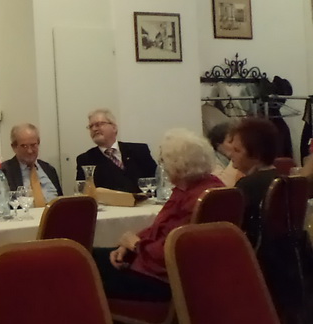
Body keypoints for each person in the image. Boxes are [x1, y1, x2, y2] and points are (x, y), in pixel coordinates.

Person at [92, 129, 221, 301]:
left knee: (82, 264)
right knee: (91, 256)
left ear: (179, 164)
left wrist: (135, 245)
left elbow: (172, 250)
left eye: (163, 161)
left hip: (163, 279)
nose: (163, 167)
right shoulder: (210, 187)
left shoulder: (196, 199)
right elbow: (159, 229)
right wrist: (127, 245)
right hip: (176, 272)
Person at [75, 108, 158, 193]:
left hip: (144, 201)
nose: (94, 129)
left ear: (114, 127)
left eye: (98, 124)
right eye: (91, 126)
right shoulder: (85, 160)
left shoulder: (139, 150)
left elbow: (157, 180)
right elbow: (82, 192)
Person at [226, 117, 280, 246]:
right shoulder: (281, 178)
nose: (230, 155)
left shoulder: (248, 185)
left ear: (256, 154)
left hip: (255, 251)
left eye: (237, 150)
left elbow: (233, 229)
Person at [0, 123, 62, 205]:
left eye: (33, 145)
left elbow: (61, 202)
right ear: (14, 147)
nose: (30, 151)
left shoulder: (49, 169)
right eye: (24, 146)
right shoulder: (1, 172)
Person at [208, 121, 243, 186]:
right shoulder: (211, 162)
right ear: (218, 145)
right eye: (230, 142)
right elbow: (225, 185)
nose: (235, 145)